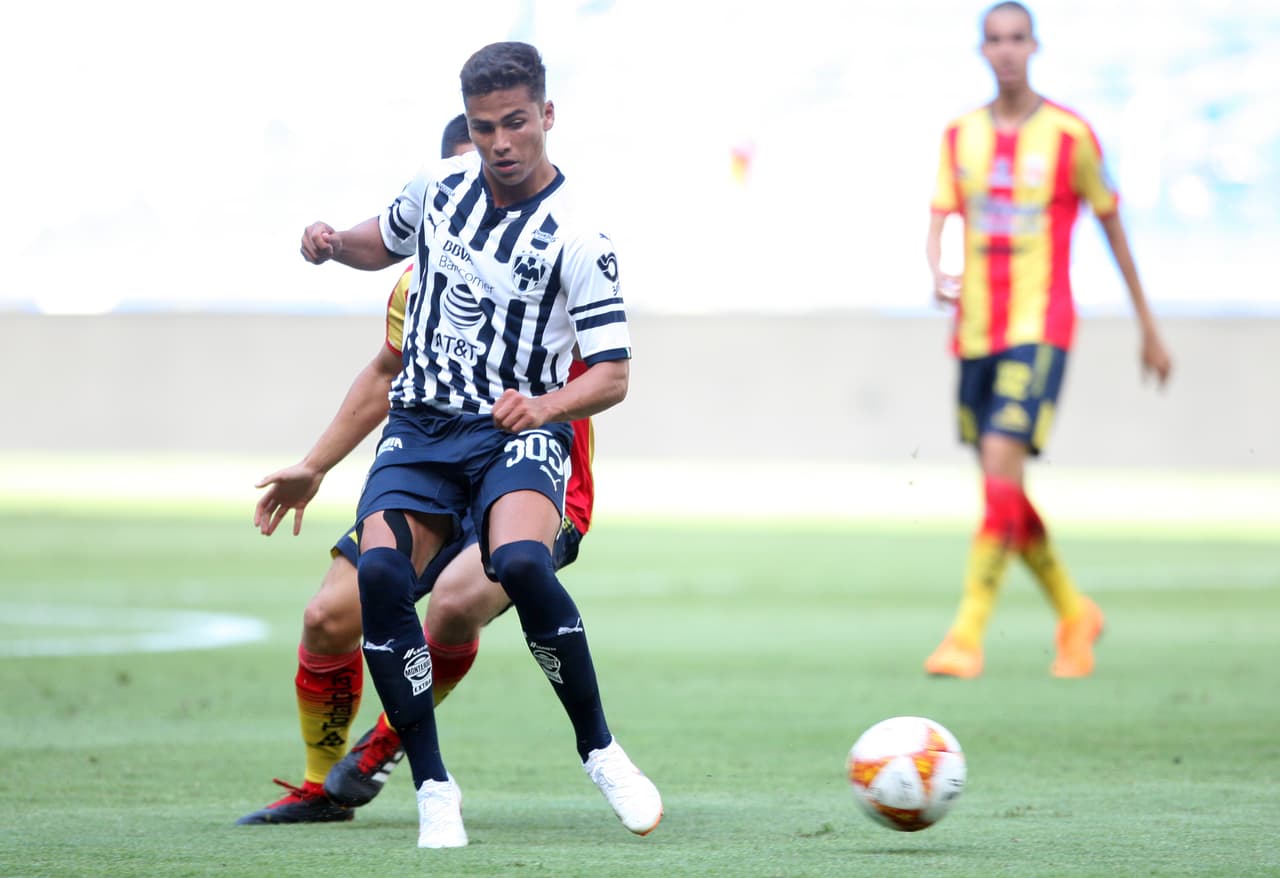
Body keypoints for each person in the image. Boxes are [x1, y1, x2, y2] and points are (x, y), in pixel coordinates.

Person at [294, 42, 661, 848]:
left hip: (514, 432)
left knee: (523, 563)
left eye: (517, 123)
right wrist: (330, 243)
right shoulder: (437, 190)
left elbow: (613, 375)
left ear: (547, 117)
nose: (501, 142)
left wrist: (544, 405)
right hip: (424, 427)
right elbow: (377, 243)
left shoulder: (580, 236)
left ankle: (600, 749)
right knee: (383, 575)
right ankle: (432, 786)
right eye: (485, 126)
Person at [236, 115, 601, 827]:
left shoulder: (563, 251)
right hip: (432, 464)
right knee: (327, 618)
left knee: (457, 602)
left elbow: (609, 370)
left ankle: (380, 747)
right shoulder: (419, 283)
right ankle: (320, 788)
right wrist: (314, 466)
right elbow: (385, 373)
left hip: (524, 478)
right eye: (465, 176)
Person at [922, 1, 1172, 680]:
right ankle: (1074, 611)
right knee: (1002, 486)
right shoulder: (959, 136)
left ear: (1035, 46)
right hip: (973, 329)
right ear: (982, 50)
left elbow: (1113, 227)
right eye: (994, 40)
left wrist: (1148, 326)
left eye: (1017, 39)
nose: (1006, 51)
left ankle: (967, 634)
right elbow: (941, 216)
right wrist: (937, 267)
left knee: (1001, 463)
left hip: (1040, 329)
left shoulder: (1069, 136)